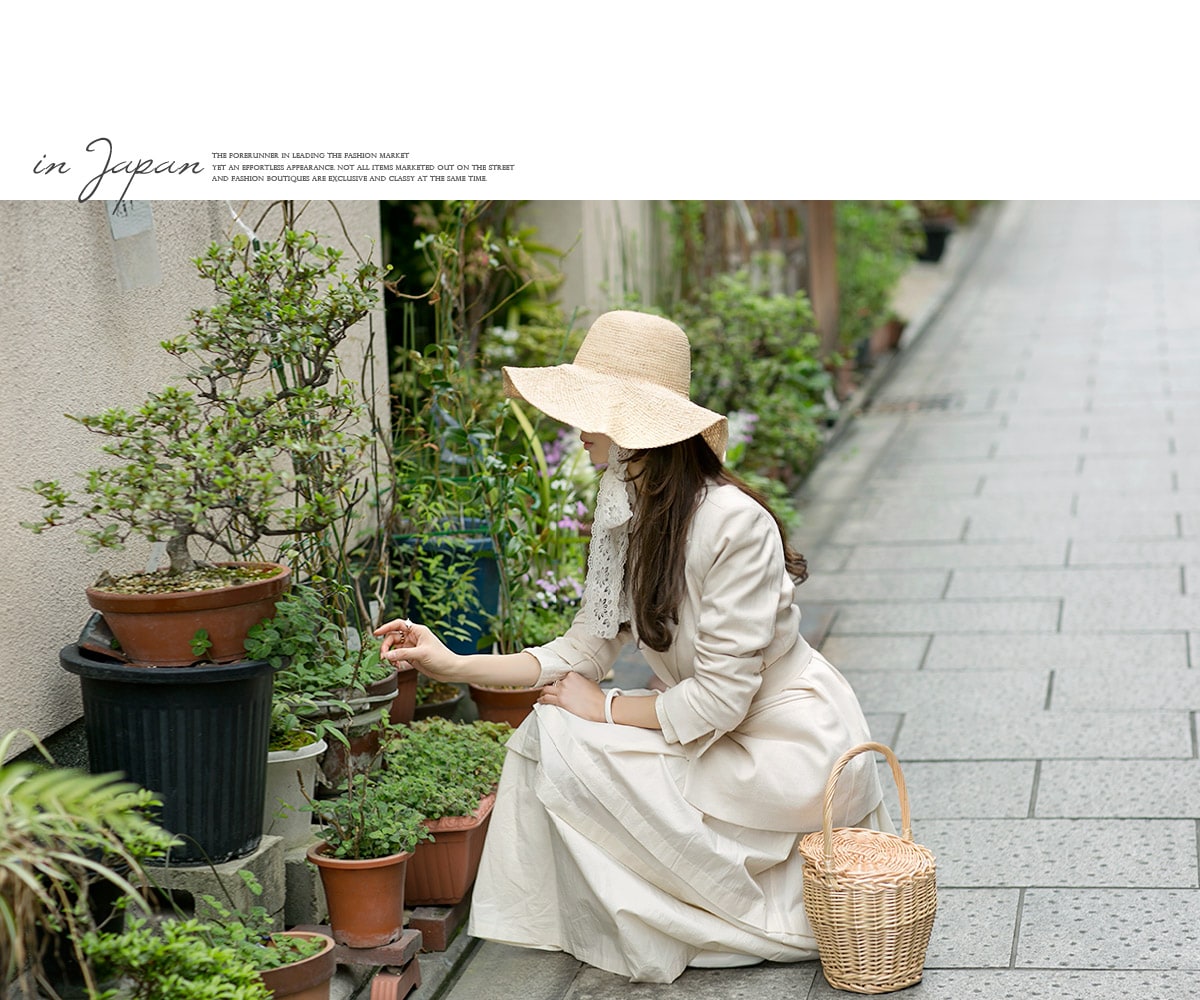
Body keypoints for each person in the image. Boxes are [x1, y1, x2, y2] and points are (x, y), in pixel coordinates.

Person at [375, 309, 890, 984]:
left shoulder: (735, 525)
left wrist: (608, 709)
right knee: (551, 731)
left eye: (593, 411)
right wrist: (449, 661)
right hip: (706, 731)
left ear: (638, 430)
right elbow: (585, 648)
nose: (578, 429)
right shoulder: (627, 507)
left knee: (574, 727)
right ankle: (630, 911)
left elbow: (723, 701)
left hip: (785, 751)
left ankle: (712, 912)